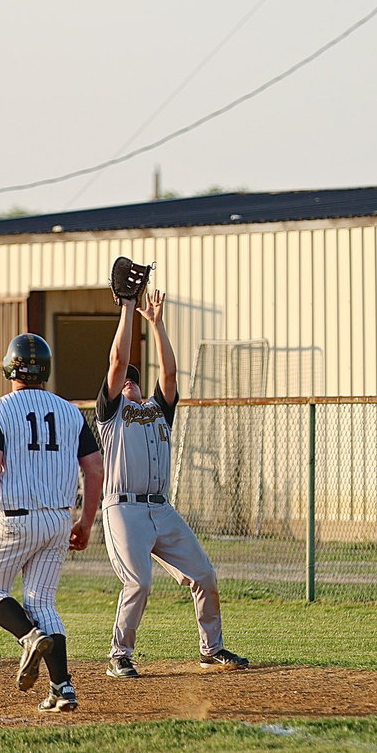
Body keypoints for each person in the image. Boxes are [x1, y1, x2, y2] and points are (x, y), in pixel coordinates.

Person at [96, 290, 248, 679]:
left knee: (205, 576)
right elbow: (117, 360)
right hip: (123, 508)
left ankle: (211, 650)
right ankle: (120, 655)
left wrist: (157, 324)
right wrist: (128, 309)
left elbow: (170, 374)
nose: (128, 382)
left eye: (133, 379)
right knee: (139, 582)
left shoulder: (157, 411)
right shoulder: (111, 415)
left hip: (161, 509)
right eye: (123, 380)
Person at [0, 333, 103, 713]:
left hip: (13, 516)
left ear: (9, 367)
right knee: (42, 601)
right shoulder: (70, 411)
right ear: (45, 369)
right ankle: (64, 689)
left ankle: (28, 638)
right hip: (59, 519)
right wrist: (86, 522)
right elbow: (94, 468)